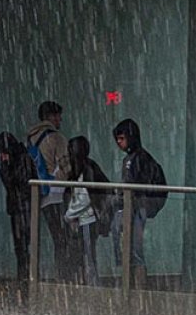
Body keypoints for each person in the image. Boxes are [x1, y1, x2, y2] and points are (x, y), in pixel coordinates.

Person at [26, 101, 77, 282]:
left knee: (57, 238)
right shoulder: (56, 138)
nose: (60, 119)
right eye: (58, 116)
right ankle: (66, 277)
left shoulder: (31, 137)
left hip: (41, 195)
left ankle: (57, 275)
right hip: (57, 193)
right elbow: (66, 166)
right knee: (66, 239)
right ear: (52, 116)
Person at [113, 118, 165, 290]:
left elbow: (130, 186)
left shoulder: (135, 159)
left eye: (122, 139)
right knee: (132, 249)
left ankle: (137, 289)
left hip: (137, 207)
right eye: (118, 140)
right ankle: (135, 288)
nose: (119, 143)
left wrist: (120, 200)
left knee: (134, 249)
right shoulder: (138, 158)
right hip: (138, 206)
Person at [64, 136, 110, 287]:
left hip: (89, 220)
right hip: (83, 220)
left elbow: (84, 199)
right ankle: (88, 285)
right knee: (84, 257)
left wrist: (69, 215)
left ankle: (93, 287)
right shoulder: (81, 169)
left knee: (88, 257)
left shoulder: (87, 170)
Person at [0, 132, 35, 281]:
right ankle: (23, 277)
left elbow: (13, 185)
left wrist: (4, 168)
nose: (2, 157)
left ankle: (24, 278)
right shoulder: (21, 159)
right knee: (21, 247)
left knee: (22, 246)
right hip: (20, 207)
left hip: (22, 208)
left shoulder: (22, 160)